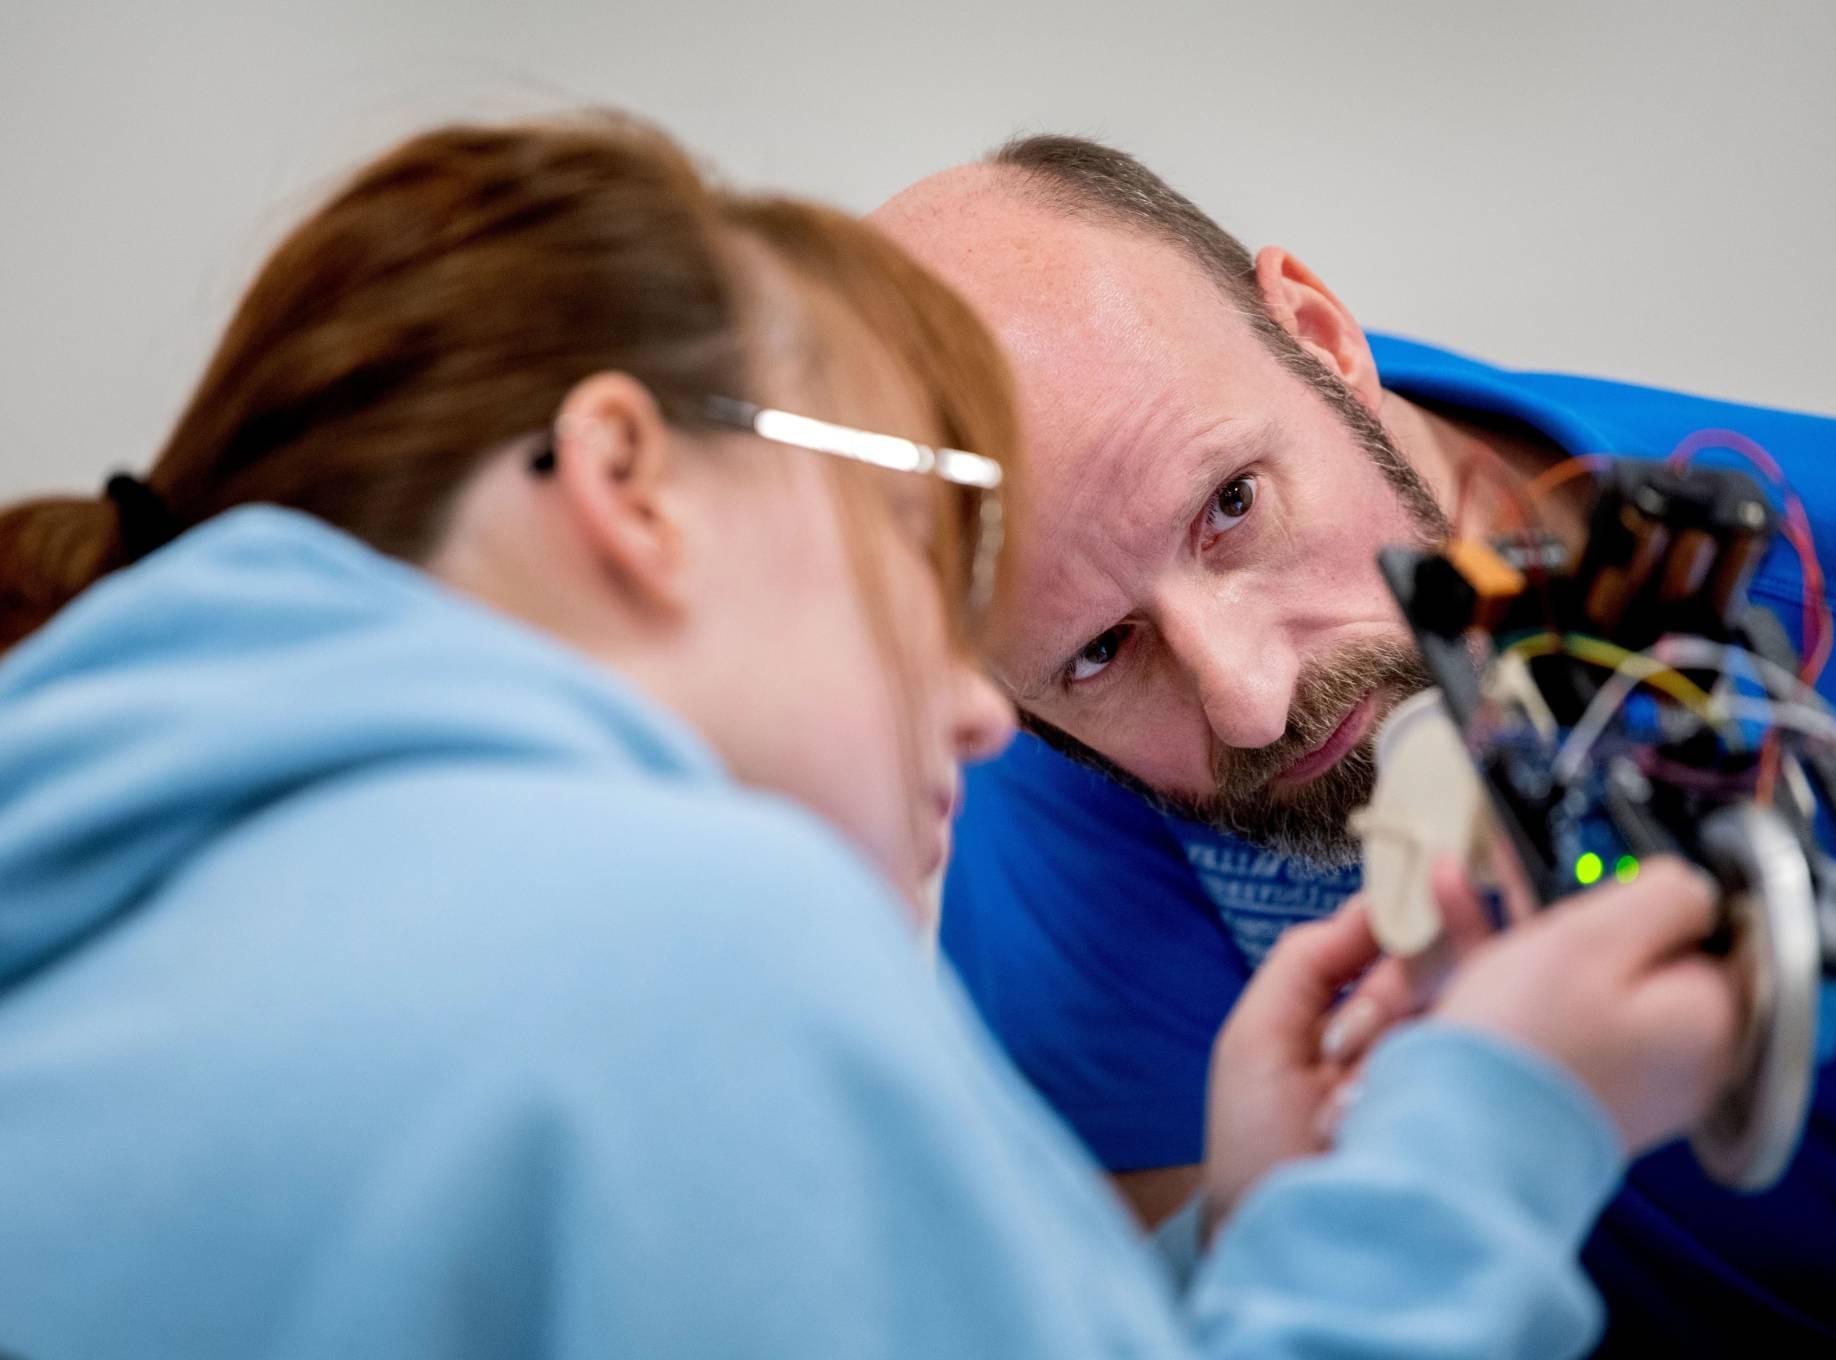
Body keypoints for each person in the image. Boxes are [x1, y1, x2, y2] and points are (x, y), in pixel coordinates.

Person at [0, 114, 1740, 1359]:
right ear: (626, 483)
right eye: (906, 566)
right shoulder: (661, 932)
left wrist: (1254, 1246)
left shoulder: (132, 922)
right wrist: (1485, 1138)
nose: (976, 704)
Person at [872, 134, 1836, 1355]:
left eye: (1231, 508)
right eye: (1099, 651)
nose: (1248, 702)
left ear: (1318, 337)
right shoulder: (1050, 726)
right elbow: (1146, 1287)